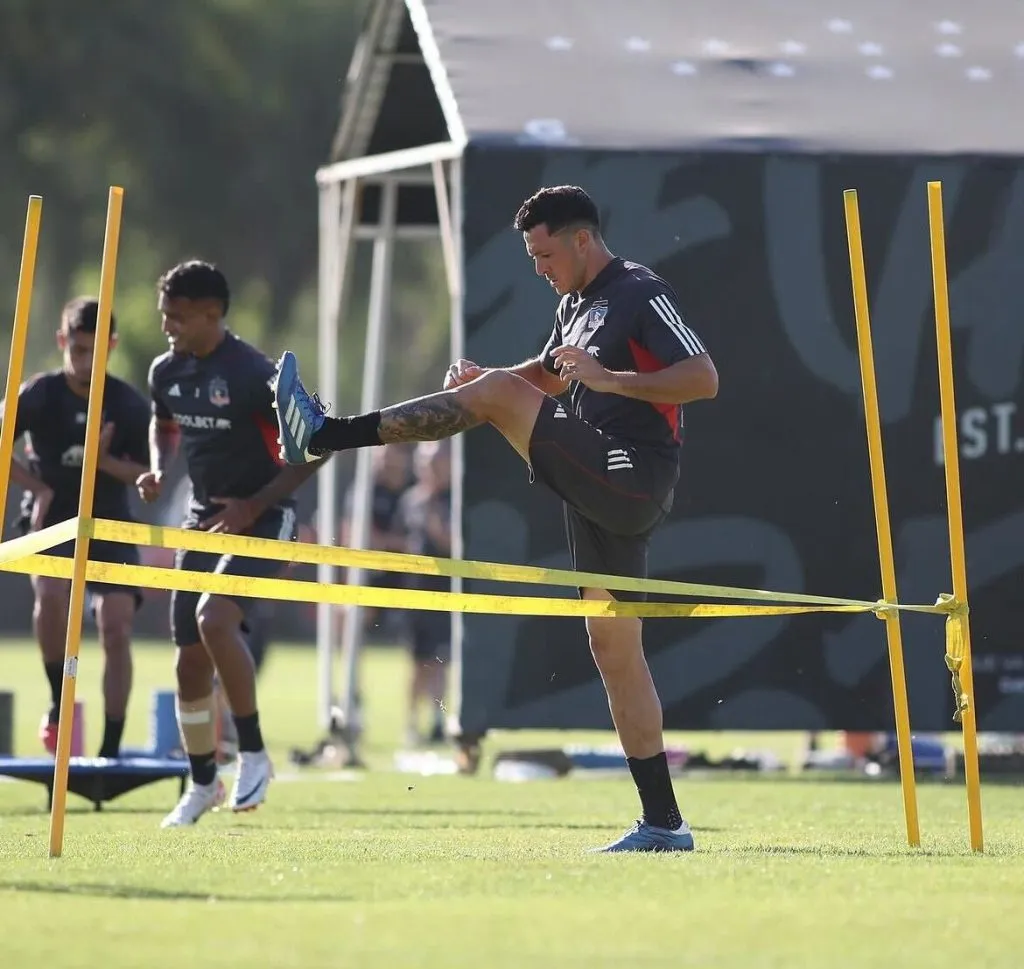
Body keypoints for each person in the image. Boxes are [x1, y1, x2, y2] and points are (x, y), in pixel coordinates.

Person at [272, 185, 718, 853]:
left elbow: (704, 376)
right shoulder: (574, 305)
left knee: (492, 399)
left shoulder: (639, 292)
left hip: (634, 472)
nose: (539, 268)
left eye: (545, 254)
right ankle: (664, 823)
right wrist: (488, 379)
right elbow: (541, 376)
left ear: (582, 240)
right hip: (597, 483)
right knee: (615, 650)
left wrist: (612, 381)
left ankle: (329, 433)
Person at [137, 260, 325, 828]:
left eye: (178, 317)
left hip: (268, 516)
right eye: (164, 314)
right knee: (188, 664)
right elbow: (163, 422)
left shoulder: (253, 372)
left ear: (212, 314)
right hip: (204, 519)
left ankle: (254, 755)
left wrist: (254, 505)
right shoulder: (165, 371)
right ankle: (200, 785)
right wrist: (156, 468)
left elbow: (317, 444)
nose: (167, 325)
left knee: (215, 619)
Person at [1, 297, 149, 759]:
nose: (86, 361)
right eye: (79, 349)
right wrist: (38, 489)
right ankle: (56, 699)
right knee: (49, 597)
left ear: (113, 346)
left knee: (116, 624)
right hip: (50, 519)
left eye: (96, 351)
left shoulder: (126, 403)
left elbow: (147, 474)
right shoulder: (39, 394)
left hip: (109, 521)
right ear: (63, 341)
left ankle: (110, 745)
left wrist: (103, 463)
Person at [397, 440, 452, 747]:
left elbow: (448, 543)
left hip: (444, 593)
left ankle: (438, 720)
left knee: (441, 661)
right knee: (417, 662)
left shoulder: (452, 500)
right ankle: (411, 723)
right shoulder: (410, 500)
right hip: (415, 592)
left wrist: (433, 516)